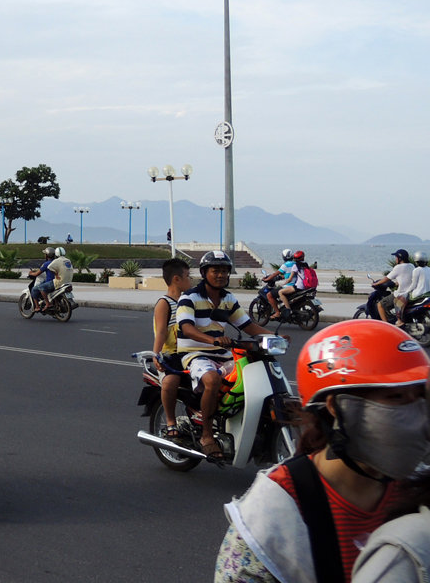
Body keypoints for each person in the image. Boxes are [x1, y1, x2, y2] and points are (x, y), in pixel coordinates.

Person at [216, 320, 430, 582]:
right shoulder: (270, 517)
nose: (417, 418)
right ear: (336, 407)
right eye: (396, 399)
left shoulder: (418, 483)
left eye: (420, 398)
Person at [175, 250, 271, 460]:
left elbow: (248, 326)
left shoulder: (228, 298)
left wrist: (275, 336)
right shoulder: (189, 297)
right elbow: (187, 328)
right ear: (204, 272)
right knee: (212, 379)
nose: (220, 275)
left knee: (253, 374)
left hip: (222, 353)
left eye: (224, 271)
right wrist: (212, 340)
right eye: (215, 270)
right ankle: (207, 436)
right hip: (194, 354)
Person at [150, 258, 191, 436]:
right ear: (176, 279)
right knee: (171, 381)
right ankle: (170, 421)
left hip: (190, 352)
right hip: (171, 354)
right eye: (188, 276)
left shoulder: (188, 300)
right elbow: (160, 332)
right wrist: (156, 355)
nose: (191, 280)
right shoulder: (164, 303)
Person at [376, 249, 416, 326]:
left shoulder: (398, 267)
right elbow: (407, 278)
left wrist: (377, 283)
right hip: (411, 293)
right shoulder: (411, 266)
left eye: (396, 257)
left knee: (380, 305)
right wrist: (397, 283)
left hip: (401, 294)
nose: (395, 259)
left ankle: (387, 326)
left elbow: (387, 278)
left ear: (400, 258)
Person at [263, 249, 297, 317]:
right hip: (296, 285)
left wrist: (267, 279)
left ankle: (277, 312)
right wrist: (282, 277)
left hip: (289, 286)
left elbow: (275, 274)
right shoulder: (295, 264)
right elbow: (289, 274)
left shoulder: (285, 265)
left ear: (283, 257)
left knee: (269, 295)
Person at [28, 247, 56, 311]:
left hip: (50, 282)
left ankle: (37, 307)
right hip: (57, 281)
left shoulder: (46, 264)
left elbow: (37, 274)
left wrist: (31, 273)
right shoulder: (56, 262)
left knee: (34, 289)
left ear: (46, 255)